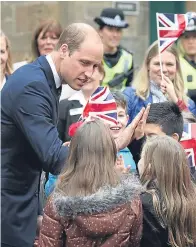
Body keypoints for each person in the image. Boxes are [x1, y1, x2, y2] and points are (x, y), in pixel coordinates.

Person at [1, 22, 104, 247]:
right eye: (84, 62)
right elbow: (54, 157)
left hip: (21, 205)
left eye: (95, 66)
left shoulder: (44, 79)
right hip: (9, 209)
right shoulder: (33, 85)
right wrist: (104, 158)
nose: (89, 73)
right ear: (64, 50)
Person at [39, 119, 143, 247]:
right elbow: (135, 241)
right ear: (110, 152)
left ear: (74, 154)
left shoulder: (57, 202)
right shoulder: (131, 199)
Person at [45, 90, 137, 197]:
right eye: (109, 115)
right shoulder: (76, 149)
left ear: (127, 119)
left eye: (120, 115)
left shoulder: (127, 152)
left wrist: (121, 178)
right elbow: (52, 191)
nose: (115, 120)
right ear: (95, 118)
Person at [138, 135, 196, 247]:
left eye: (142, 157)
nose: (140, 162)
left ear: (151, 165)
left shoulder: (143, 203)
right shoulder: (192, 195)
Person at [123, 41, 196, 125]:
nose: (164, 70)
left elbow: (191, 131)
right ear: (148, 66)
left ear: (177, 68)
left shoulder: (189, 104)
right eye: (158, 64)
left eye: (169, 64)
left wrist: (175, 99)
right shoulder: (130, 96)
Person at [94, 8, 134, 91]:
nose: (115, 35)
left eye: (118, 30)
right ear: (100, 31)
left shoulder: (128, 57)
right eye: (110, 29)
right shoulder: (91, 55)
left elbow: (129, 87)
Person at [177, 14, 196, 104]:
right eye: (186, 37)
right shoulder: (174, 63)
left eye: (195, 37)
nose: (191, 42)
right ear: (181, 41)